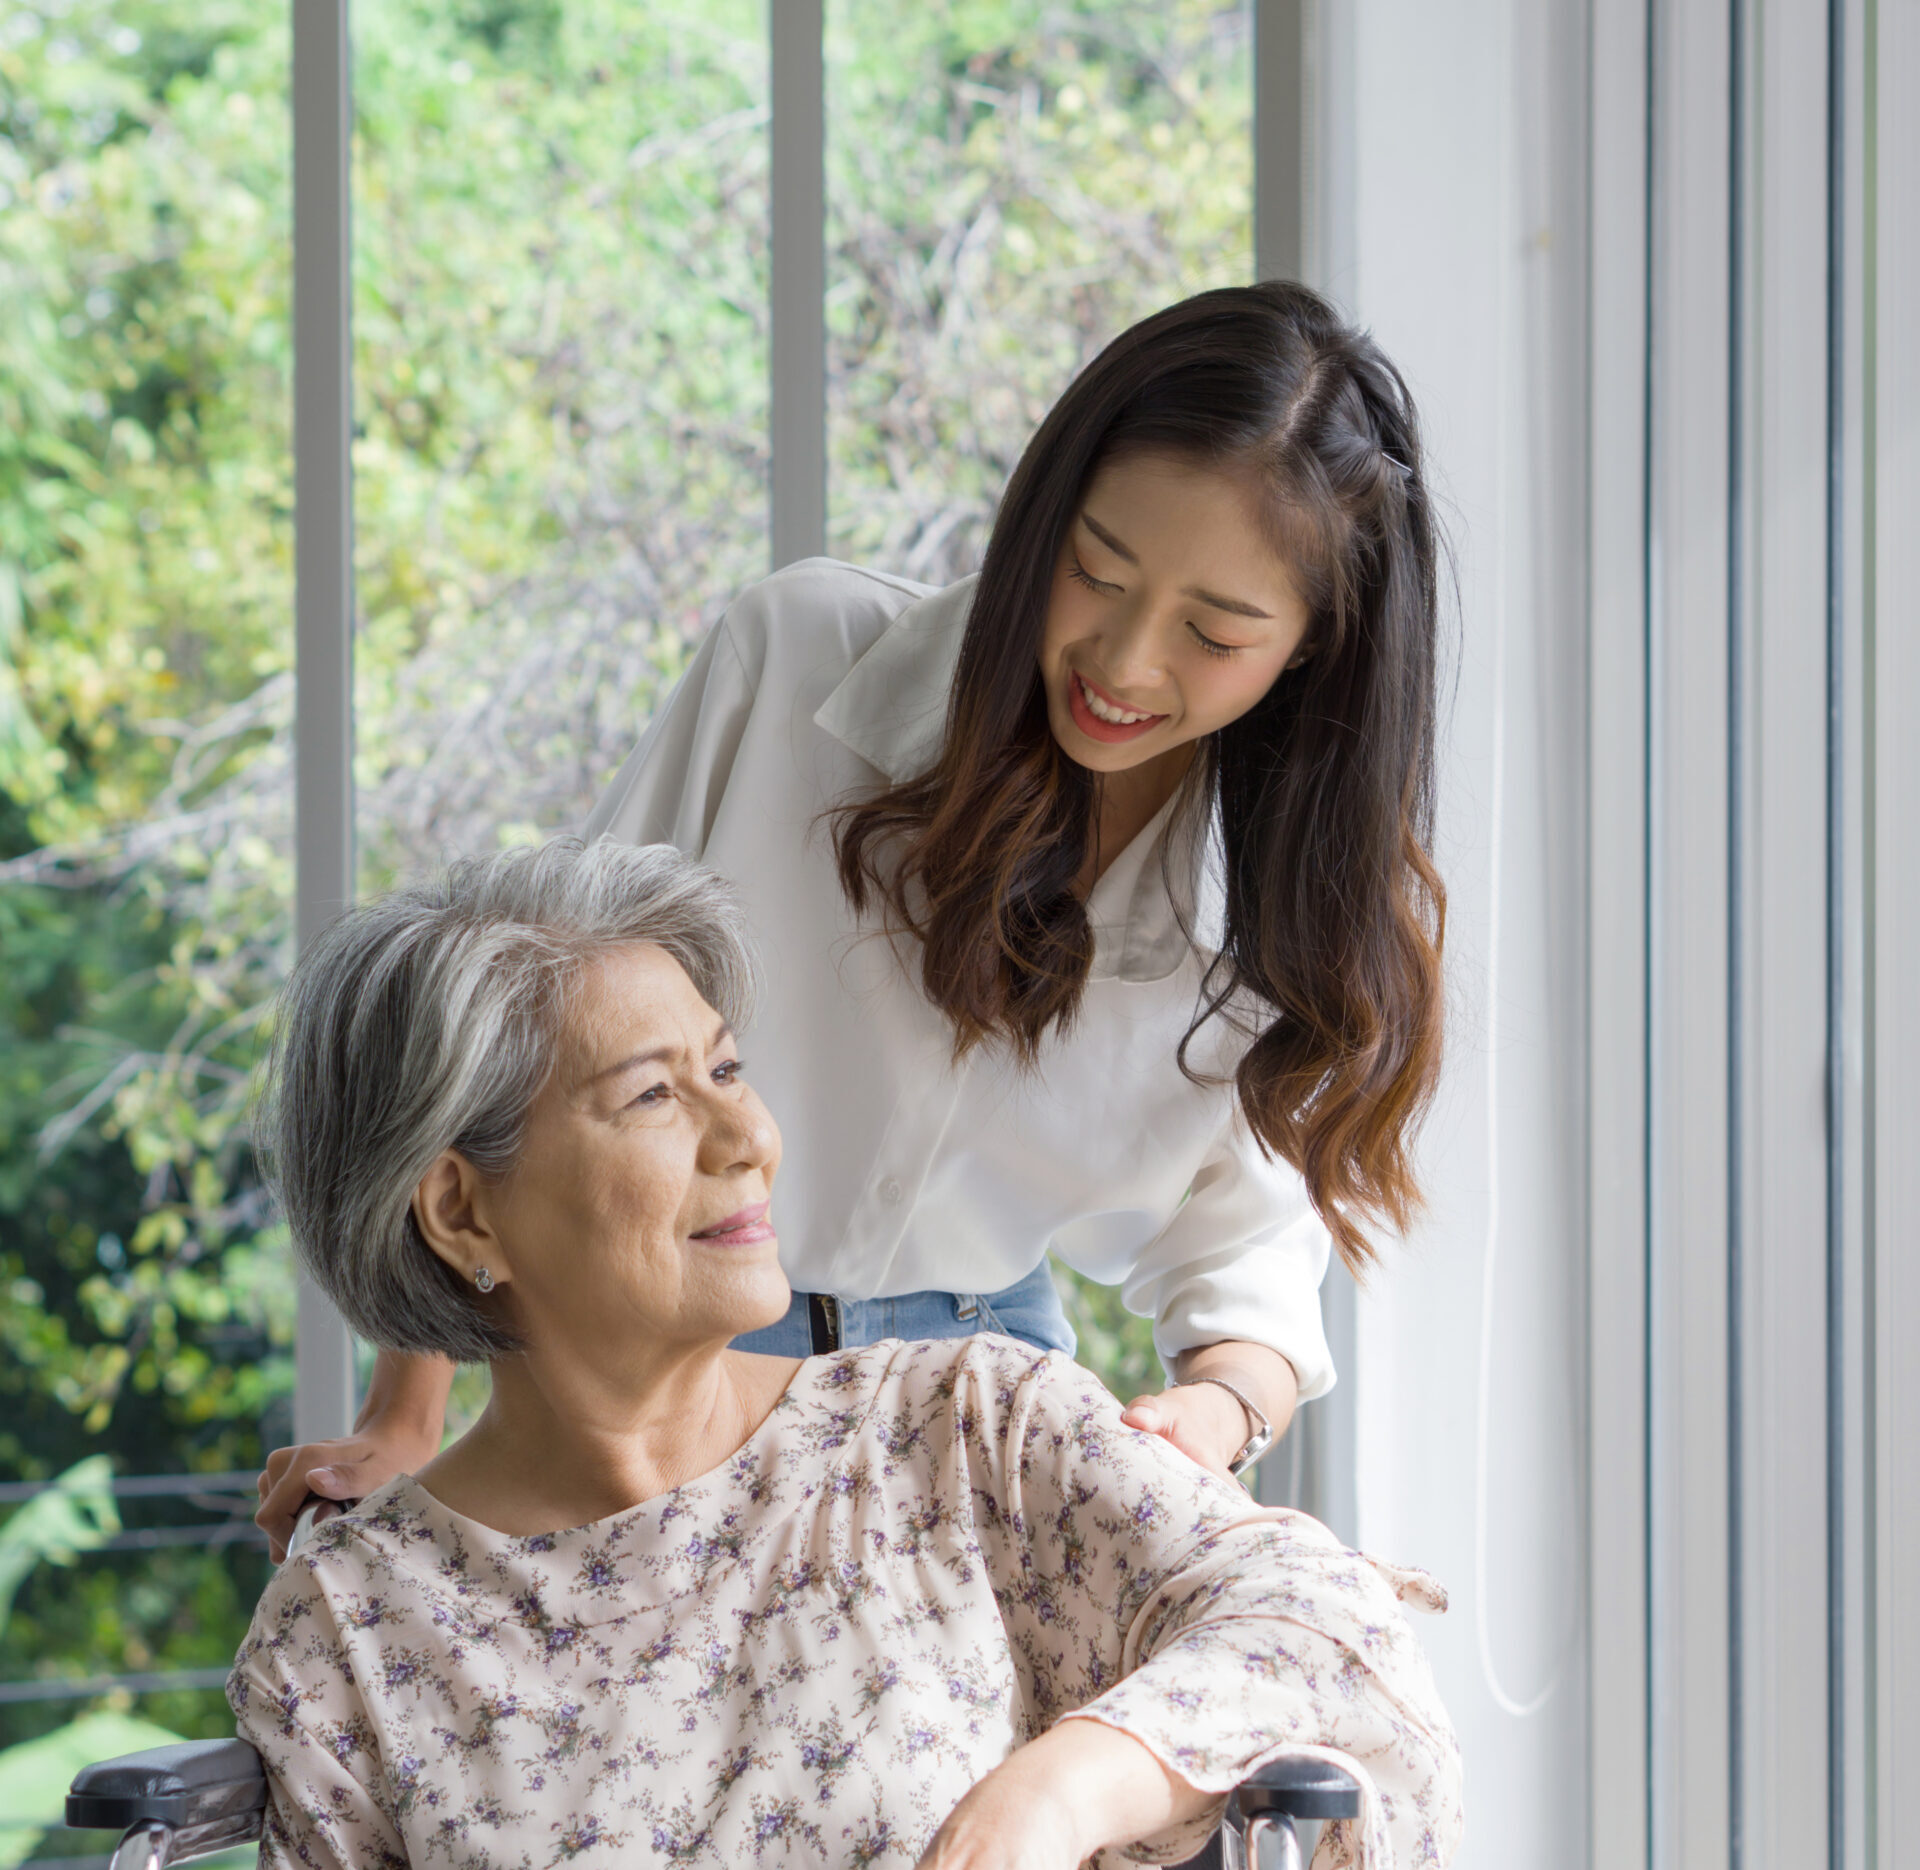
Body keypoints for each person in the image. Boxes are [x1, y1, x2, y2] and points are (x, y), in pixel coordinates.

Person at [255, 281, 1448, 1553]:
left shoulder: (1267, 918)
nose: (1124, 661)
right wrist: (406, 1412)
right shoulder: (800, 660)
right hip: (667, 1366)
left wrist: (1210, 1417)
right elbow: (522, 1022)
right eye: (1095, 570)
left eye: (1214, 632)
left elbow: (1246, 1279)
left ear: (1310, 646)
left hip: (982, 1407)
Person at [231, 838, 1462, 1870]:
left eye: (727, 1068)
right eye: (655, 1095)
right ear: (462, 1211)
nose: (750, 1136)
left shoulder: (962, 1431)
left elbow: (1332, 1631)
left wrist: (1058, 1791)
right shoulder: (352, 1630)